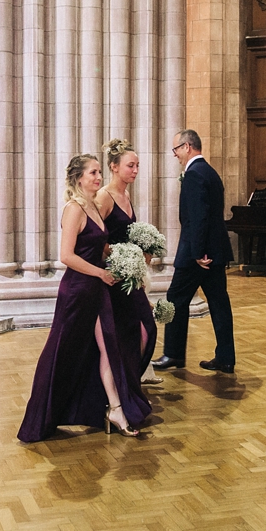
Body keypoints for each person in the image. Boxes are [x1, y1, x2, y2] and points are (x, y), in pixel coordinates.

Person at [18, 154, 150, 441]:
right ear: (79, 178)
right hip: (77, 291)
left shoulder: (93, 205)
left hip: (97, 290)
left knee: (108, 347)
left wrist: (130, 259)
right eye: (93, 173)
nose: (98, 177)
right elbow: (66, 256)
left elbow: (101, 246)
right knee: (60, 353)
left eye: (99, 172)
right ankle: (40, 418)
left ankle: (115, 408)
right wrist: (101, 274)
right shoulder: (74, 208)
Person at [152, 129, 236, 374]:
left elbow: (198, 218)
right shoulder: (210, 172)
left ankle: (173, 354)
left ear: (187, 147)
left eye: (176, 149)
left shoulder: (194, 174)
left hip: (197, 255)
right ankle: (226, 357)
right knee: (219, 304)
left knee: (174, 300)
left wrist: (198, 253)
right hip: (216, 252)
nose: (175, 155)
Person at [95, 138, 160, 386]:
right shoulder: (104, 197)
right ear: (114, 167)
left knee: (143, 328)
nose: (135, 170)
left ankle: (131, 377)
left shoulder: (125, 193)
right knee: (138, 328)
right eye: (130, 165)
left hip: (130, 274)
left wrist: (145, 250)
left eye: (137, 166)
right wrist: (122, 258)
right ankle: (125, 382)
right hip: (114, 276)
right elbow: (96, 238)